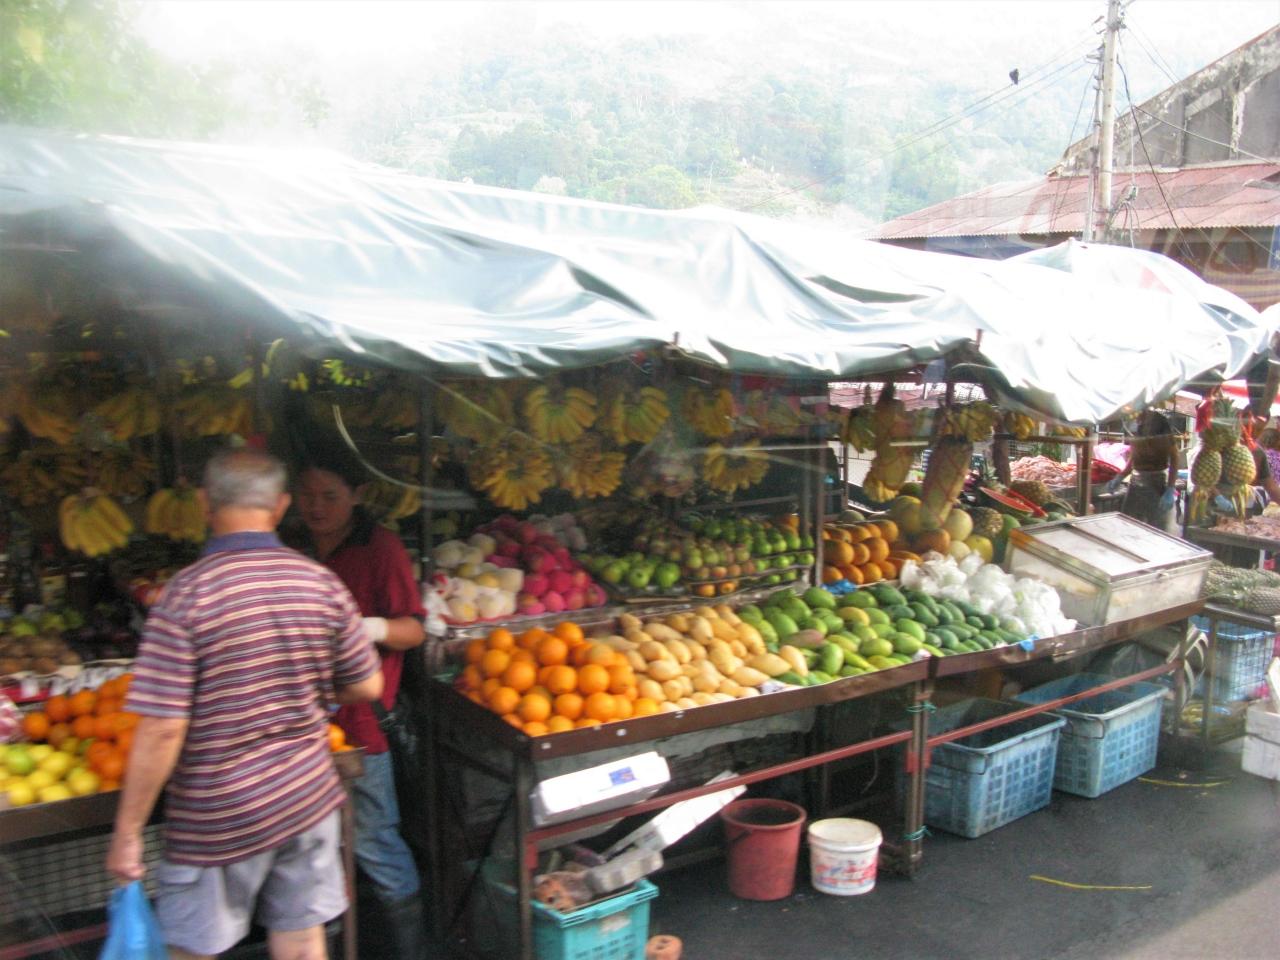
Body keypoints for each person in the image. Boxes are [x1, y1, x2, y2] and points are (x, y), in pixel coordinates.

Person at [106, 449, 383, 960]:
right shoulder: (320, 583)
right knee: (302, 942)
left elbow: (163, 728)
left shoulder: (185, 595)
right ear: (280, 506)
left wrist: (127, 834)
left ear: (204, 503)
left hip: (217, 812)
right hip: (306, 797)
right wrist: (306, 689)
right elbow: (367, 684)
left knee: (193, 949)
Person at [295, 456, 428, 960]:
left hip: (360, 727)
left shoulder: (380, 548)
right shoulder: (294, 548)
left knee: (373, 839)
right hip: (301, 726)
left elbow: (413, 630)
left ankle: (409, 950)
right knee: (313, 845)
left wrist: (369, 628)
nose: (317, 507)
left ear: (356, 495)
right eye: (308, 495)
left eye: (330, 496)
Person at [1108, 410, 1179, 530]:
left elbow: (1174, 457)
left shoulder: (1159, 424)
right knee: (1129, 527)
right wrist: (1119, 477)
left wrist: (1170, 488)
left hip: (1157, 483)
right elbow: (1134, 456)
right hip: (1135, 484)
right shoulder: (1135, 427)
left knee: (1156, 529)